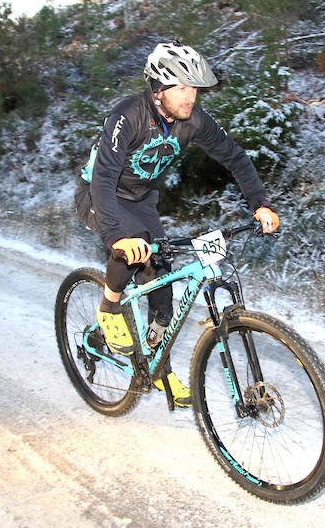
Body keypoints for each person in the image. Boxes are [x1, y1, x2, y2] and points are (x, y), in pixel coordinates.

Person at [75, 41, 279, 407]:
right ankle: (109, 307)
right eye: (182, 88)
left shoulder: (193, 120)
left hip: (141, 201)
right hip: (97, 195)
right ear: (158, 89)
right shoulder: (127, 116)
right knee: (135, 244)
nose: (191, 96)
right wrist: (116, 237)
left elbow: (234, 157)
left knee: (163, 285)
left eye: (194, 88)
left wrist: (260, 203)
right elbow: (103, 177)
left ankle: (157, 368)